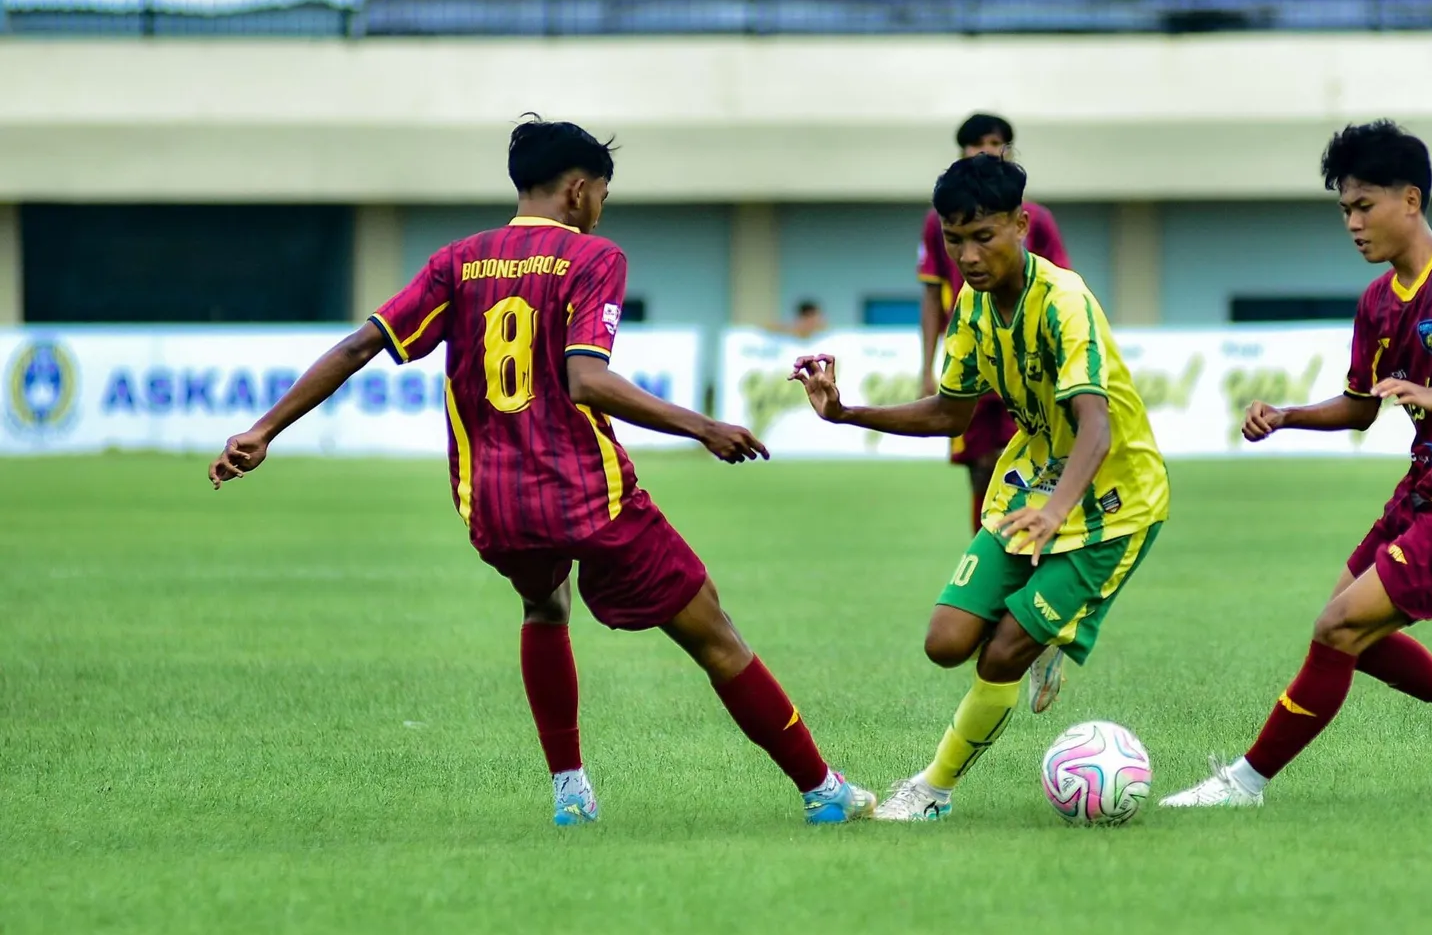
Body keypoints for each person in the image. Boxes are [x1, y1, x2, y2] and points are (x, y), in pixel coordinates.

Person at [208, 117, 875, 828]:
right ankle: (821, 790)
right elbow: (586, 381)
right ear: (580, 190)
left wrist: (263, 429)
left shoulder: (458, 261)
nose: (601, 210)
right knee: (715, 631)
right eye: (603, 197)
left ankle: (571, 793)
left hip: (492, 503)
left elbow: (357, 346)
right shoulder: (592, 258)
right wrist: (702, 425)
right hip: (587, 492)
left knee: (544, 607)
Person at [1160, 120, 1432, 809]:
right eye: (1344, 210)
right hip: (1421, 491)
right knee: (1347, 629)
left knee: (1338, 629)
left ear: (1411, 201)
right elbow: (1362, 407)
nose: (1353, 224)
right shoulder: (1376, 304)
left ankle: (1244, 783)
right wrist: (1288, 416)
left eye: (1364, 206)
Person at [795, 154, 1169, 822]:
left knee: (999, 652)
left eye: (983, 236)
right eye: (954, 239)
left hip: (1114, 505)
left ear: (1021, 225)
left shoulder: (1065, 303)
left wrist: (1059, 512)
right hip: (1032, 490)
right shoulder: (970, 307)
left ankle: (933, 789)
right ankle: (1042, 630)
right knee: (945, 642)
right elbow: (950, 411)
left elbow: (1096, 428)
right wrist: (848, 412)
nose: (967, 255)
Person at [918, 113, 1071, 531]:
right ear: (962, 152)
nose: (984, 150)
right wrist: (926, 367)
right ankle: (985, 560)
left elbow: (1061, 288)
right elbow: (932, 295)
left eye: (995, 142)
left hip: (1027, 363)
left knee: (1029, 461)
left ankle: (1029, 551)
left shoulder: (1034, 219)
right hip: (972, 355)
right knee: (981, 470)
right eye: (976, 143)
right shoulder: (939, 220)